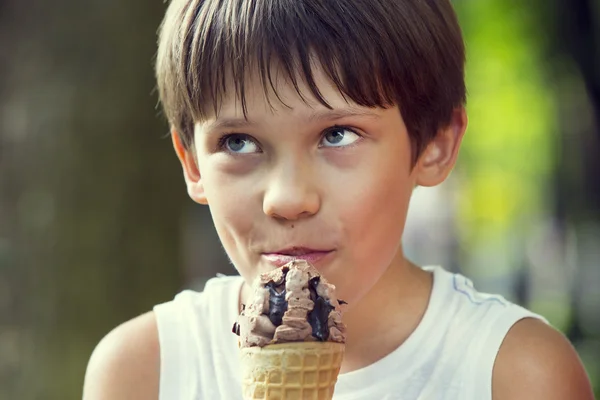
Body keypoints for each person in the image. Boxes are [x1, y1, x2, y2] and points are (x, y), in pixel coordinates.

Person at [83, 0, 594, 399]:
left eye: (338, 135)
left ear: (435, 144)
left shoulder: (514, 373)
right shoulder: (144, 372)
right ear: (192, 163)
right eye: (238, 142)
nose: (287, 199)